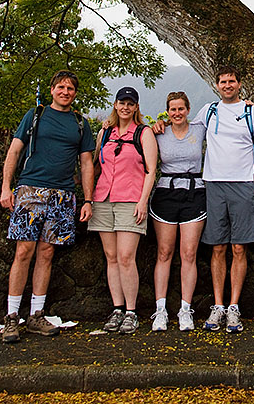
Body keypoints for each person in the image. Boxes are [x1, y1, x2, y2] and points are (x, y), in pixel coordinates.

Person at [0, 70, 95, 344]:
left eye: (71, 88)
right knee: (23, 251)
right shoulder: (36, 116)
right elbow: (15, 151)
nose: (65, 92)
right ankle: (11, 317)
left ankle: (36, 314)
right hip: (31, 189)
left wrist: (87, 199)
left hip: (63, 195)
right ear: (52, 89)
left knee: (47, 252)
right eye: (61, 87)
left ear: (75, 93)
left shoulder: (80, 123)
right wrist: (7, 187)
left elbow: (86, 163)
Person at [192, 65, 254, 333]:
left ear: (239, 84)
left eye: (232, 81)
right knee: (217, 247)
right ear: (216, 85)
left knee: (239, 248)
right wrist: (161, 124)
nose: (227, 85)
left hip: (242, 185)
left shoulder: (252, 113)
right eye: (223, 81)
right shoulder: (208, 111)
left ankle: (234, 306)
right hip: (213, 184)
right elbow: (183, 130)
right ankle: (218, 306)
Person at [88, 86, 158, 335]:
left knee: (127, 257)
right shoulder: (105, 132)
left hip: (130, 199)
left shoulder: (144, 133)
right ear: (115, 105)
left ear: (136, 107)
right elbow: (95, 166)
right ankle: (117, 308)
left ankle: (131, 311)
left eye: (130, 103)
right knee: (111, 257)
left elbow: (151, 170)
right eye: (122, 103)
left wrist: (143, 201)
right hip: (103, 198)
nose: (125, 107)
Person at [149, 91, 206, 332]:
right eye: (172, 109)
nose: (177, 113)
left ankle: (185, 309)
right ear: (167, 111)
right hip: (166, 194)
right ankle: (160, 310)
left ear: (188, 109)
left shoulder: (199, 128)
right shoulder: (158, 133)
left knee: (189, 253)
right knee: (164, 252)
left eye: (181, 108)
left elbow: (226, 114)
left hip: (195, 192)